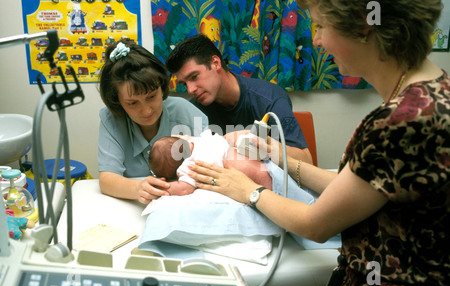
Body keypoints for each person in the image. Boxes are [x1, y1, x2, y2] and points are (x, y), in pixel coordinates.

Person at [187, 0, 450, 286]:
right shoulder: (433, 92)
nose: (316, 40)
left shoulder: (401, 121)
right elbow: (357, 184)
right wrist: (276, 154)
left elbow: (316, 225)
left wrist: (248, 190)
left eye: (321, 26)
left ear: (363, 26)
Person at [165, 34, 313, 164]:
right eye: (184, 84)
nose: (190, 90)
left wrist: (256, 142)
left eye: (194, 77)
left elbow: (305, 160)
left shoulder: (269, 99)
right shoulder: (193, 110)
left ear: (215, 63)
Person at [97, 39, 209, 204]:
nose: (147, 110)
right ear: (117, 101)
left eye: (151, 97)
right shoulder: (111, 120)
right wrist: (138, 188)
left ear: (162, 86)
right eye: (132, 103)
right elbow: (107, 179)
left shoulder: (187, 113)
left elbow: (215, 164)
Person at [148, 130, 272, 196]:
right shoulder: (200, 140)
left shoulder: (191, 166)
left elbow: (184, 189)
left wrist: (163, 188)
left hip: (255, 179)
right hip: (264, 163)